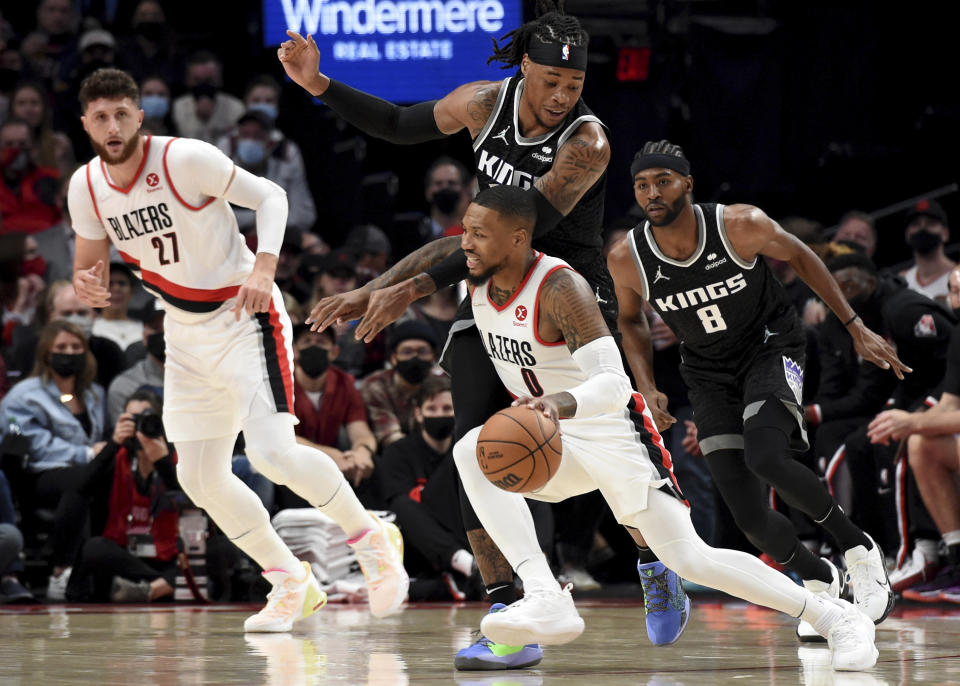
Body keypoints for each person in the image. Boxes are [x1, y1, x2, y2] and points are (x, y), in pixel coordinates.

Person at [281, 1, 688, 662]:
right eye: (550, 81)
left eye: (574, 86)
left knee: (608, 450)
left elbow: (516, 235)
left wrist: (400, 286)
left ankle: (653, 559)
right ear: (524, 67)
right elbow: (397, 122)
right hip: (489, 286)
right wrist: (320, 85)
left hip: (565, 291)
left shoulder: (587, 143)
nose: (561, 96)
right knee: (478, 447)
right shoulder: (481, 103)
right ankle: (510, 613)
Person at [451, 184, 878, 672]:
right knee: (473, 449)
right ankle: (546, 594)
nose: (464, 242)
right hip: (554, 441)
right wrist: (376, 293)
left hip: (611, 434)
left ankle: (835, 616)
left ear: (518, 238)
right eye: (464, 231)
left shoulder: (560, 289)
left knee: (692, 559)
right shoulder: (474, 270)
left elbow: (614, 384)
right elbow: (422, 266)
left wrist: (557, 403)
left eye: (477, 233)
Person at [66, 68, 407, 630]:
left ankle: (371, 539)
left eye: (122, 113)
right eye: (101, 116)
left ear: (139, 115)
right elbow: (89, 264)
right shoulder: (85, 186)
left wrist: (265, 267)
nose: (112, 125)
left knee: (272, 451)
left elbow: (271, 195)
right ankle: (290, 580)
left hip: (245, 314)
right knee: (199, 477)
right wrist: (88, 283)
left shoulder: (184, 159)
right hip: (183, 330)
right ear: (85, 123)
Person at [607, 140, 906, 638]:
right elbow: (631, 320)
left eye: (663, 180)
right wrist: (648, 386)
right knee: (748, 517)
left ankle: (859, 549)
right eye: (642, 184)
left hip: (772, 345)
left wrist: (853, 326)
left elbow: (803, 255)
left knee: (766, 455)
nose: (652, 192)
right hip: (706, 369)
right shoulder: (628, 256)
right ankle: (818, 578)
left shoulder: (738, 224)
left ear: (688, 183)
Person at [0, 319, 106, 599]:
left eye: (75, 346)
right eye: (61, 346)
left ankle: (95, 571)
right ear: (47, 352)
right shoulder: (24, 395)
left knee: (96, 481)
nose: (69, 352)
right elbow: (34, 444)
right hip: (39, 474)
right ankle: (60, 568)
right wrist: (86, 454)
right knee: (82, 479)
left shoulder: (94, 394)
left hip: (84, 475)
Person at [69, 389, 180, 603]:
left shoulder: (177, 457)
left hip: (169, 553)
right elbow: (80, 489)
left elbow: (191, 506)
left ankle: (149, 589)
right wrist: (113, 443)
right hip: (125, 556)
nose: (140, 426)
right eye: (133, 419)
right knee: (94, 548)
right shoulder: (117, 456)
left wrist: (163, 463)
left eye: (146, 418)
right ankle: (162, 586)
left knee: (221, 550)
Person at [361, 320, 440, 449]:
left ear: (433, 357)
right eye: (407, 352)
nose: (415, 358)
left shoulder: (444, 385)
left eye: (423, 351)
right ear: (393, 358)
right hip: (392, 457)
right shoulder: (377, 385)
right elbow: (389, 436)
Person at [105, 298, 164, 425]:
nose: (163, 335)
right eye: (156, 328)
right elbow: (124, 440)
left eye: (169, 328)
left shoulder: (203, 379)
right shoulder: (124, 386)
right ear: (143, 335)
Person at [899, 199, 955, 304]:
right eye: (916, 224)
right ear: (907, 235)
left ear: (945, 233)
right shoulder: (901, 282)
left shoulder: (957, 278)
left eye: (931, 223)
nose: (922, 229)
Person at [92, 261, 143, 351]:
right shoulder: (91, 328)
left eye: (122, 283)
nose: (116, 289)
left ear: (132, 290)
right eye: (110, 284)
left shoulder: (143, 329)